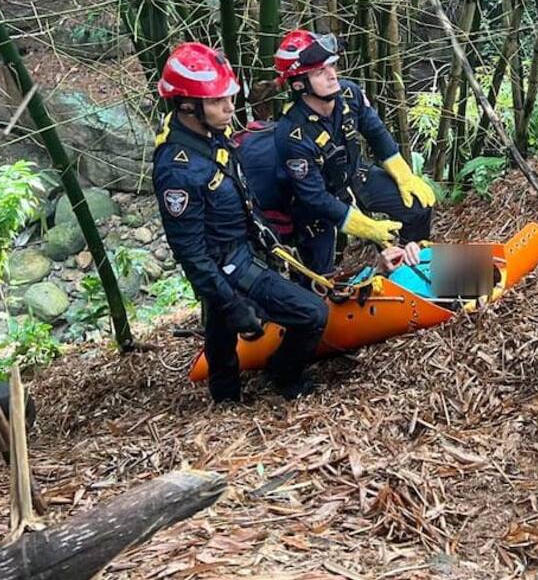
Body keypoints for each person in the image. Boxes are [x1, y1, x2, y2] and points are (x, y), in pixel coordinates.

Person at [152, 42, 328, 403]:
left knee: (220, 323)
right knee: (312, 314)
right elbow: (191, 252)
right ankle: (284, 374)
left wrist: (271, 241)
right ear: (188, 106)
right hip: (228, 263)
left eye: (229, 98)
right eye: (218, 102)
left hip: (243, 248)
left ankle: (226, 392)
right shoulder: (178, 170)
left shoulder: (209, 135)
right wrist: (232, 302)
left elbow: (240, 195)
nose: (230, 108)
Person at [273, 29, 436, 275]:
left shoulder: (350, 94)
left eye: (332, 66)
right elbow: (316, 198)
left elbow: (377, 134)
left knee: (418, 206)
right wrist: (368, 227)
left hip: (354, 174)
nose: (332, 75)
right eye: (320, 71)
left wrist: (404, 176)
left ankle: (409, 265)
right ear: (299, 85)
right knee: (318, 273)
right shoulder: (291, 134)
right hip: (316, 202)